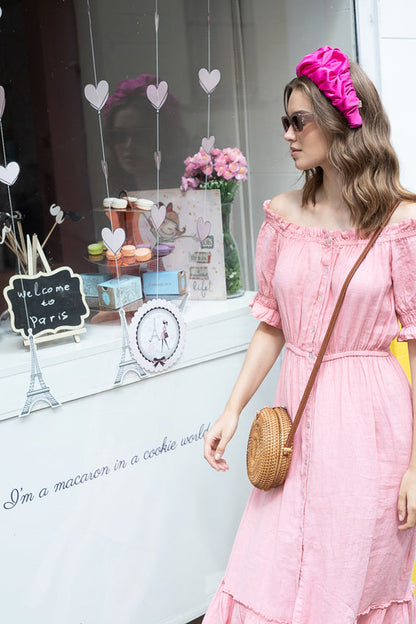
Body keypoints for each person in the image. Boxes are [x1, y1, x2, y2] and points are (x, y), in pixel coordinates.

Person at [203, 46, 416, 623]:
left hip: (372, 426)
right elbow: (273, 325)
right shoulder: (281, 215)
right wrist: (232, 410)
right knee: (270, 569)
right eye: (285, 121)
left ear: (341, 120)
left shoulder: (401, 224)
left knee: (350, 577)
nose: (289, 134)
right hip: (294, 414)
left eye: (300, 120)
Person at [102, 74, 187, 194]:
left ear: (163, 138)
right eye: (119, 135)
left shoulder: (183, 191)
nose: (129, 145)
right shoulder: (118, 193)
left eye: (141, 135)